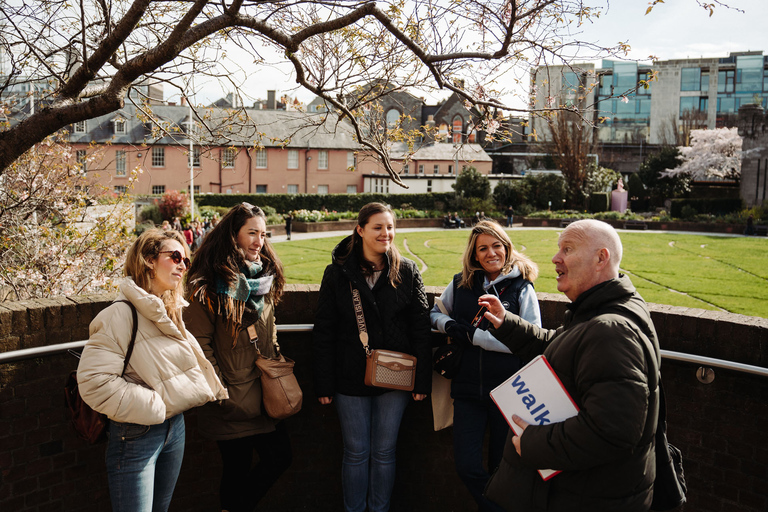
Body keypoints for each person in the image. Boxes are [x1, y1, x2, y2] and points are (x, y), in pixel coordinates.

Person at [479, 219, 659, 512]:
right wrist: (506, 323)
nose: (555, 258)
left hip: (585, 497)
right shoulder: (597, 313)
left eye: (568, 249)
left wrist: (534, 444)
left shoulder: (610, 331)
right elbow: (559, 346)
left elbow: (611, 432)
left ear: (601, 258)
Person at [77, 228, 228, 512]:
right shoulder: (119, 314)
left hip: (175, 428)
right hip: (137, 433)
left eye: (186, 260)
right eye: (174, 256)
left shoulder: (169, 310)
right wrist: (155, 406)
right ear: (148, 259)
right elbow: (93, 382)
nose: (183, 265)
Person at [313, 202, 432, 512]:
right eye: (378, 227)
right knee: (355, 452)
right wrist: (323, 385)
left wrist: (422, 381)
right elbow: (324, 331)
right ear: (361, 230)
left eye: (390, 227)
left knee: (384, 452)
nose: (386, 233)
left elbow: (421, 328)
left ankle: (379, 509)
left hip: (396, 376)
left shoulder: (406, 271)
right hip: (349, 376)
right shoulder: (337, 273)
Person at [184, 202, 291, 512]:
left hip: (263, 393)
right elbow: (198, 346)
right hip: (231, 398)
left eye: (263, 234)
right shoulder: (207, 286)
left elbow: (269, 333)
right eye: (252, 233)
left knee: (280, 457)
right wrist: (222, 395)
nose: (259, 241)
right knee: (236, 469)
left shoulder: (264, 279)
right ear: (233, 236)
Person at [430, 219, 541, 512]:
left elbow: (531, 339)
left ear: (506, 248)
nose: (491, 253)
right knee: (466, 466)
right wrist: (451, 325)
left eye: (496, 246)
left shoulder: (522, 288)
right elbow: (434, 313)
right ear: (474, 254)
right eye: (483, 248)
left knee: (501, 468)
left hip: (508, 394)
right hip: (467, 391)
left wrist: (475, 337)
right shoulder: (460, 283)